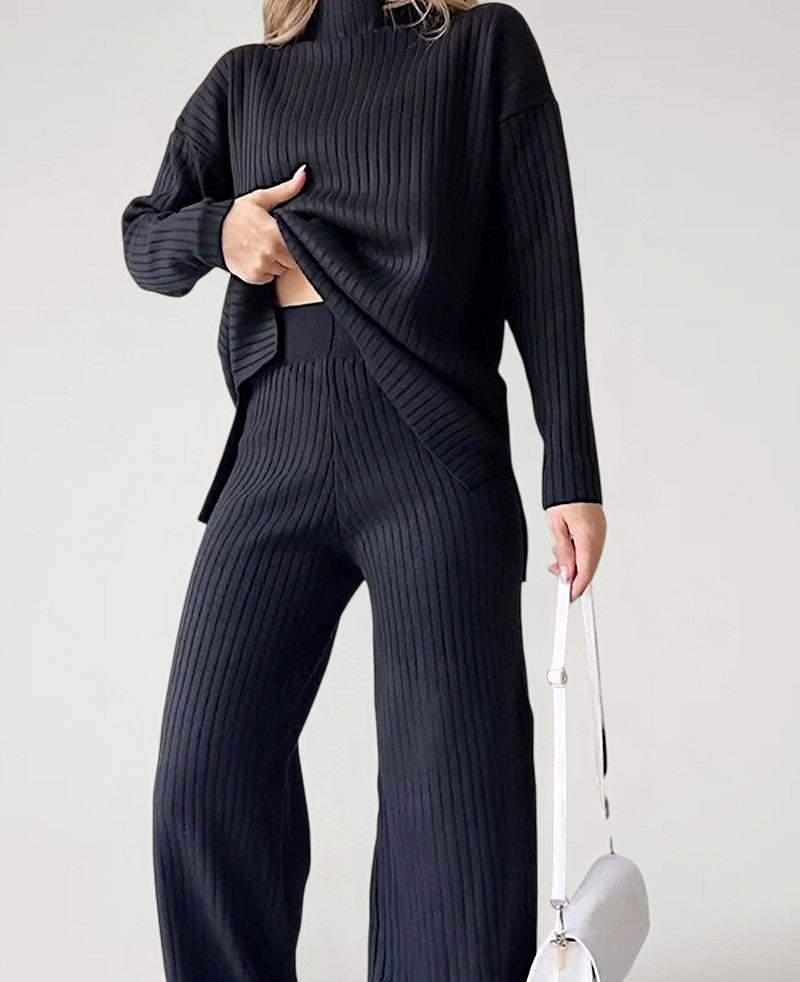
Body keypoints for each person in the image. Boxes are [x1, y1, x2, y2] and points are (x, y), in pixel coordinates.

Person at [121, 0, 607, 978]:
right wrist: (222, 231)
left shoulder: (481, 48)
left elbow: (541, 258)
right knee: (204, 777)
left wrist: (571, 470)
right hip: (276, 441)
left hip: (432, 448)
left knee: (450, 800)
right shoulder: (245, 80)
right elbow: (145, 239)